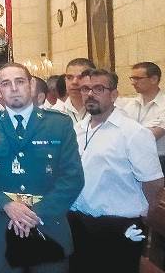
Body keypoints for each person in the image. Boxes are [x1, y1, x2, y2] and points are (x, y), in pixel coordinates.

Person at [0, 63, 84, 273]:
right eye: (6, 83)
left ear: (31, 85)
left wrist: (36, 213)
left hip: (49, 224)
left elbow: (73, 178)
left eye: (20, 81)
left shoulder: (59, 125)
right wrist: (7, 205)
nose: (13, 88)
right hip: (1, 224)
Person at [69, 68, 163, 273]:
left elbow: (153, 183)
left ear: (114, 94)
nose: (90, 94)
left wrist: (145, 216)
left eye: (98, 88)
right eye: (85, 89)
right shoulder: (76, 130)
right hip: (79, 222)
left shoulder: (134, 133)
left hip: (120, 224)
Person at [116, 62, 165, 168]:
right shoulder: (128, 104)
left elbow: (149, 136)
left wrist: (124, 133)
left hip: (159, 161)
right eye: (132, 78)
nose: (133, 83)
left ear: (154, 79)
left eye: (137, 78)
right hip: (130, 160)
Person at [56, 58, 95, 126]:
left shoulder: (104, 110)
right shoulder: (56, 113)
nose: (74, 82)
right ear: (65, 80)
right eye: (69, 77)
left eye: (80, 77)